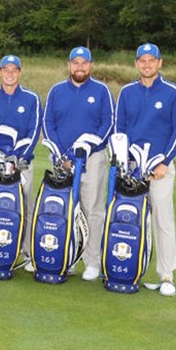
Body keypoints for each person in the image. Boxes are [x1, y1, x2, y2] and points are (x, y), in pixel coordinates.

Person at [42, 46, 114, 281]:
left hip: (93, 158)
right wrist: (62, 154)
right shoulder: (56, 90)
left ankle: (92, 261)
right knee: (64, 209)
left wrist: (87, 149)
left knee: (92, 210)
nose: (80, 67)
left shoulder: (102, 91)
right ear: (69, 65)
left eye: (84, 63)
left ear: (91, 65)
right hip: (62, 160)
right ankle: (67, 257)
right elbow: (48, 123)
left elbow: (107, 125)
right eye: (76, 63)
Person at [114, 43, 176, 297]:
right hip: (132, 167)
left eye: (152, 60)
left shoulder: (173, 92)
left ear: (160, 63)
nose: (147, 65)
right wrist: (123, 163)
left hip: (159, 168)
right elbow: (120, 130)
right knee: (128, 218)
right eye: (142, 61)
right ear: (136, 64)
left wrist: (165, 162)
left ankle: (166, 275)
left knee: (163, 221)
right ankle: (126, 269)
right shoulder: (127, 92)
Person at [0, 55, 42, 269]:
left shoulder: (31, 99)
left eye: (14, 70)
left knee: (25, 207)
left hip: (22, 164)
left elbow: (34, 132)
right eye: (6, 69)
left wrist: (19, 156)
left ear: (20, 72)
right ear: (0, 71)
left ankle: (28, 254)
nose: (10, 73)